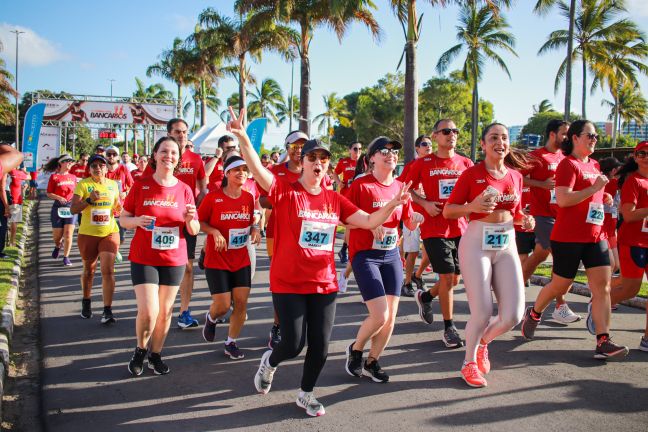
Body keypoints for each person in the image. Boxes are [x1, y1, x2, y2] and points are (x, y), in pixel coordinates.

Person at [227, 107, 409, 417]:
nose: (318, 163)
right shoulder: (286, 191)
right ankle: (269, 363)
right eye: (313, 158)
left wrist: (393, 204)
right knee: (293, 344)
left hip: (323, 282)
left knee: (321, 346)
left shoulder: (335, 199)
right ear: (302, 163)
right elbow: (257, 170)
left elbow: (367, 220)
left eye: (323, 159)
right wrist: (244, 138)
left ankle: (306, 394)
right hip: (288, 282)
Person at [521, 120, 629, 361]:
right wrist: (594, 189)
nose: (594, 140)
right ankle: (535, 313)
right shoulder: (567, 165)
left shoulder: (594, 164)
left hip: (596, 235)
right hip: (568, 237)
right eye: (589, 135)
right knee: (561, 286)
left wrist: (605, 196)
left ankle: (603, 340)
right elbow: (563, 200)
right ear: (575, 138)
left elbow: (592, 195)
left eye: (596, 137)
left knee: (603, 287)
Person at [444, 123, 534, 388]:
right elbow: (449, 211)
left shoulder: (515, 176)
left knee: (513, 315)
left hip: (506, 243)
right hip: (476, 244)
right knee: (482, 312)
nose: (500, 142)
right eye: (494, 138)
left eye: (504, 138)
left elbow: (516, 213)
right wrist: (472, 206)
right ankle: (468, 362)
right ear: (483, 144)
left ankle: (483, 342)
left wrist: (525, 220)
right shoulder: (471, 175)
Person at [345, 137, 423, 382]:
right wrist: (369, 225)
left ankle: (373, 360)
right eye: (384, 151)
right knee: (379, 314)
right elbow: (344, 218)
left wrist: (416, 218)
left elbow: (407, 221)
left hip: (390, 255)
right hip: (366, 255)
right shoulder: (361, 186)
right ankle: (356, 350)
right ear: (371, 159)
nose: (391, 154)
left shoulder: (401, 187)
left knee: (391, 316)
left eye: (393, 151)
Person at [120, 136, 199, 375]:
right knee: (149, 310)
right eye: (164, 151)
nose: (169, 156)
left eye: (174, 153)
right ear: (155, 155)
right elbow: (123, 219)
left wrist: (189, 219)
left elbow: (194, 230)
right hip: (145, 256)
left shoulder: (184, 189)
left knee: (165, 312)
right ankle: (140, 351)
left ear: (178, 159)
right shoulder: (141, 185)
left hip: (174, 258)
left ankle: (156, 355)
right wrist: (137, 221)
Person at [407, 120, 474, 348]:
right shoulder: (424, 162)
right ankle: (449, 328)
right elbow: (404, 187)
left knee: (453, 280)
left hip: (461, 228)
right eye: (446, 131)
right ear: (435, 136)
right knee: (446, 278)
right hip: (434, 228)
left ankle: (425, 297)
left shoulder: (466, 163)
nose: (451, 135)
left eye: (455, 131)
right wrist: (424, 203)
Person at [199, 155, 260, 360]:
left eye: (245, 169)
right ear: (227, 173)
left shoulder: (249, 197)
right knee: (223, 305)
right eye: (237, 169)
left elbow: (252, 220)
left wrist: (255, 228)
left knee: (241, 303)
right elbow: (200, 222)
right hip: (217, 259)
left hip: (240, 257)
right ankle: (211, 317)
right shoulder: (213, 197)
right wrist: (214, 232)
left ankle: (231, 342)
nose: (242, 172)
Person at [521, 120, 581, 324]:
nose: (567, 137)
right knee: (563, 256)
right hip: (542, 214)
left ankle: (514, 293)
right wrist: (541, 184)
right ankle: (560, 306)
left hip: (562, 214)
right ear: (552, 134)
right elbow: (517, 177)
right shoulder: (536, 156)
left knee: (539, 254)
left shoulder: (567, 157)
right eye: (564, 133)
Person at [70, 154, 121, 322]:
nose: (97, 168)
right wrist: (89, 200)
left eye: (101, 165)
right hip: (88, 234)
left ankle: (107, 310)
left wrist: (119, 207)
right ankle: (86, 300)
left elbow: (116, 206)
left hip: (109, 232)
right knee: (89, 271)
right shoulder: (83, 184)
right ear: (89, 169)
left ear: (106, 168)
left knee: (108, 270)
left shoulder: (113, 185)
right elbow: (73, 209)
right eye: (94, 166)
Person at [608, 141, 648, 350]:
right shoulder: (634, 180)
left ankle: (647, 339)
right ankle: (599, 306)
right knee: (631, 288)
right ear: (635, 157)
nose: (646, 157)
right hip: (633, 241)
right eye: (641, 153)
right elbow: (629, 214)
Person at [397, 135, 433, 297]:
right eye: (424, 144)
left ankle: (417, 275)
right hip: (412, 214)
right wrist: (413, 194)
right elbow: (399, 185)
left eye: (430, 144)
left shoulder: (435, 164)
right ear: (417, 148)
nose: (428, 146)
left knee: (432, 251)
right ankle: (407, 283)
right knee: (412, 251)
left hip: (432, 215)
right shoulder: (412, 165)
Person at [44, 154, 78, 266]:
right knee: (57, 236)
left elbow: (78, 192)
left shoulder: (73, 177)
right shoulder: (54, 177)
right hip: (58, 208)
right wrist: (59, 197)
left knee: (68, 234)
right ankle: (58, 246)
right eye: (67, 161)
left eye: (71, 161)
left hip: (70, 208)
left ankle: (66, 257)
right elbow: (49, 193)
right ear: (61, 163)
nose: (69, 163)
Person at [332, 141, 362, 264]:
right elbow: (334, 173)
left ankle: (346, 249)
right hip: (346, 197)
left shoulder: (364, 162)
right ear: (349, 150)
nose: (358, 152)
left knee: (355, 225)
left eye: (360, 149)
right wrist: (339, 182)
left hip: (360, 196)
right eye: (355, 149)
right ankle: (348, 250)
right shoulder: (344, 162)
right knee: (350, 224)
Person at [104, 145, 134, 263]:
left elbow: (131, 186)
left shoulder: (123, 169)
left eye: (114, 154)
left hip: (120, 209)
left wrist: (125, 193)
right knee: (106, 234)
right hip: (105, 208)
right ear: (106, 156)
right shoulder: (102, 169)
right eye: (109, 154)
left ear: (118, 157)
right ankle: (108, 252)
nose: (111, 156)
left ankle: (115, 249)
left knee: (120, 237)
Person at [8, 166, 28, 247]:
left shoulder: (6, 171)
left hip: (6, 199)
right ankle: (12, 241)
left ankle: (9, 240)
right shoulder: (17, 172)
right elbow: (29, 177)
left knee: (6, 222)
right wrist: (24, 171)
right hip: (15, 200)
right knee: (14, 222)